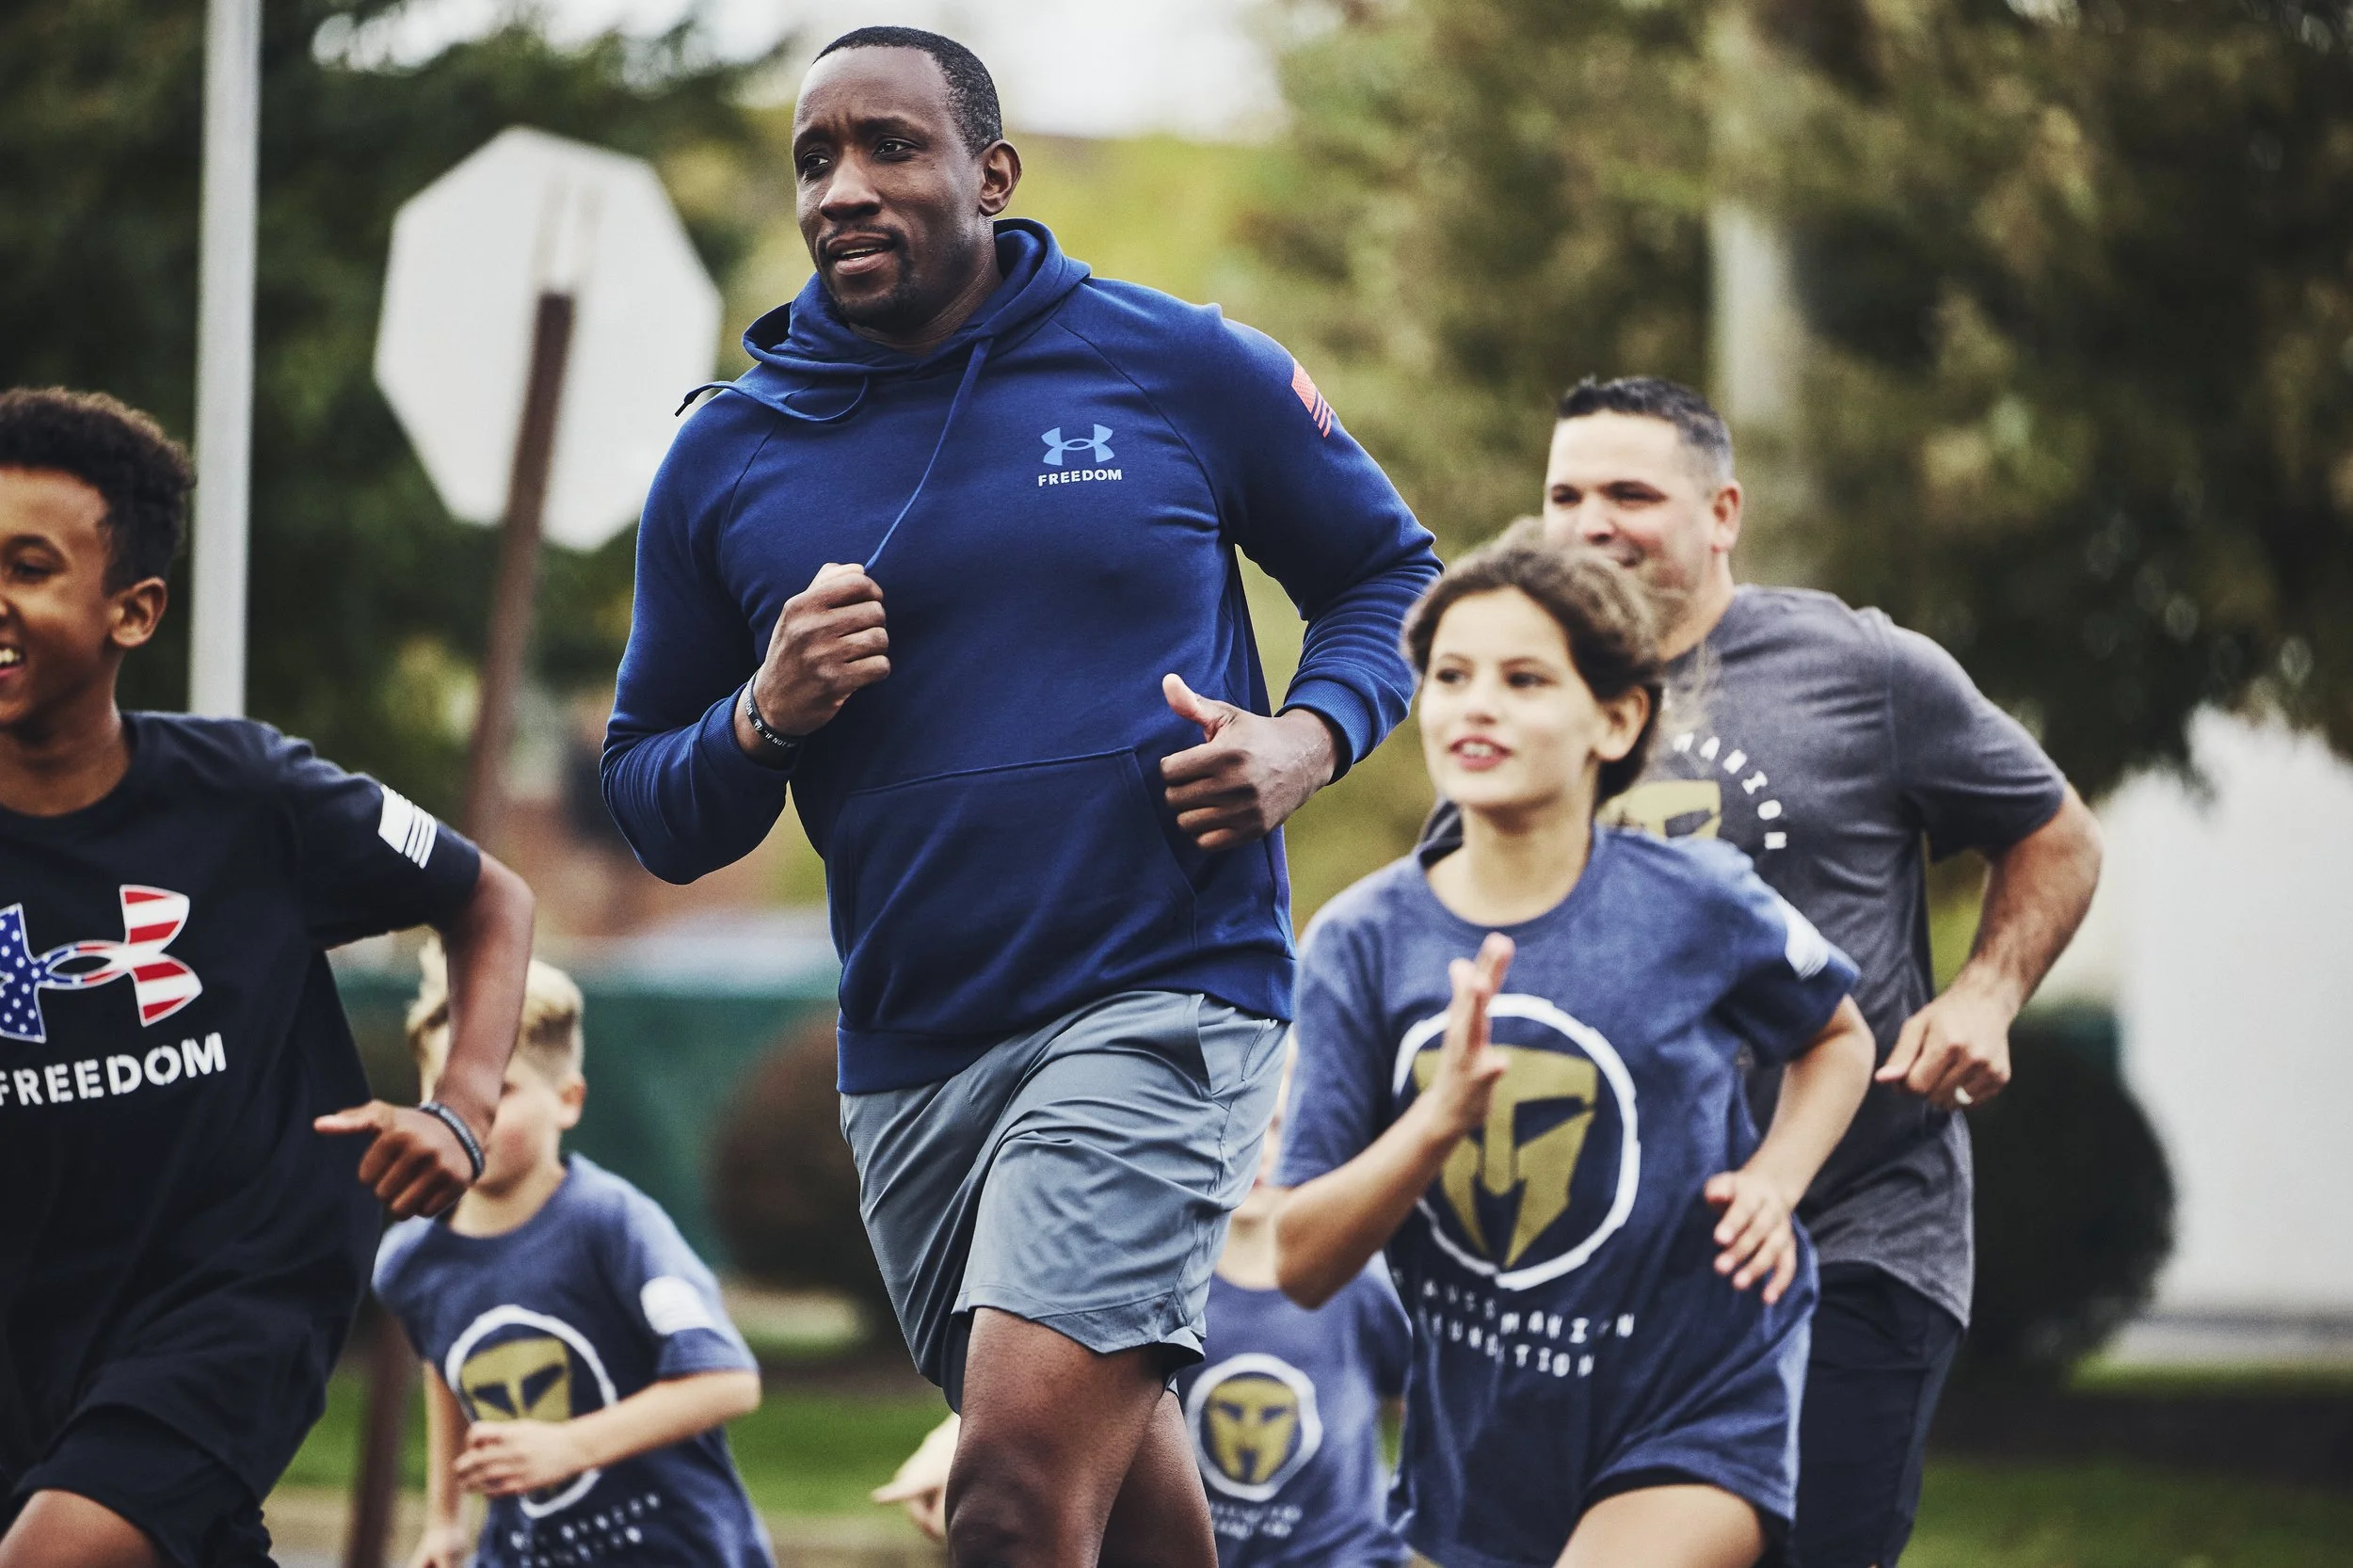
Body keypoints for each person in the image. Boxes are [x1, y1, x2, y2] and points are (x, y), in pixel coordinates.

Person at [600, 26, 1439, 1568]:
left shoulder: (1177, 365)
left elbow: (1388, 573)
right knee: (1112, 1508)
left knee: (1004, 1490)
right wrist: (765, 712)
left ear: (992, 174)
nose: (844, 187)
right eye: (815, 158)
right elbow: (655, 804)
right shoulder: (728, 455)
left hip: (1163, 993)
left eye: (890, 146)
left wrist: (1308, 740)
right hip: (912, 1049)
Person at [1425, 376, 2105, 1567]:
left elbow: (2056, 833)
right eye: (1565, 496)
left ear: (1722, 512)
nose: (1591, 523)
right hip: (1611, 1257)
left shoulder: (1859, 668)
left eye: (1631, 494)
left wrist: (1987, 990)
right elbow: (1446, 929)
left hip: (1853, 1230)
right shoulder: (1521, 698)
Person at [0, 387, 536, 1568]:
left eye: (29, 568)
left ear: (133, 610)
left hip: (236, 1295)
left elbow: (489, 895)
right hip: (34, 1313)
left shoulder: (248, 796)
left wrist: (461, 1109)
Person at [1276, 541, 1877, 1568]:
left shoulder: (1699, 901)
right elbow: (1301, 1260)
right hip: (1479, 1455)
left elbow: (1837, 1033)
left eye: (1524, 680)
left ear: (1617, 719)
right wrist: (1437, 1123)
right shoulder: (1357, 944)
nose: (1476, 706)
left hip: (1698, 1407)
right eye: (1451, 676)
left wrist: (1776, 1182)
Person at [873, 1049, 1413, 1568]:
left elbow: (1423, 1402)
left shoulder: (1356, 1285)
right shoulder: (1160, 1279)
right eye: (1249, 1125)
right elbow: (1057, 1372)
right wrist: (950, 1438)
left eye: (1281, 1130)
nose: (1262, 1152)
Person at [375, 948, 770, 1568]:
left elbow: (727, 1382)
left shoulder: (613, 1225)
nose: (470, 1115)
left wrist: (570, 1447)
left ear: (568, 1099)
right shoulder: (410, 1260)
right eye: (449, 1091)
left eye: (500, 1090)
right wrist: (445, 1521)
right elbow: (445, 1365)